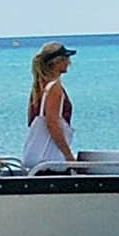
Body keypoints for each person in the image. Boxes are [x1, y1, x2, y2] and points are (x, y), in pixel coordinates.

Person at [22, 42, 76, 170]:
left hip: (35, 158)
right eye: (66, 59)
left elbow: (31, 121)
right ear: (56, 62)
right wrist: (68, 155)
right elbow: (52, 123)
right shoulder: (54, 88)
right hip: (51, 159)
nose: (69, 62)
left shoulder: (38, 87)